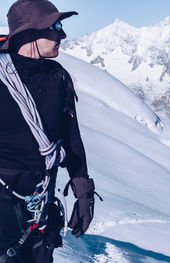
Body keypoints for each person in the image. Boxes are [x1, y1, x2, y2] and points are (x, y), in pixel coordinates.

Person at [0, 1, 96, 262]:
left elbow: (71, 137)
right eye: (54, 26)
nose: (62, 34)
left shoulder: (58, 77)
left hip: (41, 205)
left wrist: (83, 192)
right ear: (29, 32)